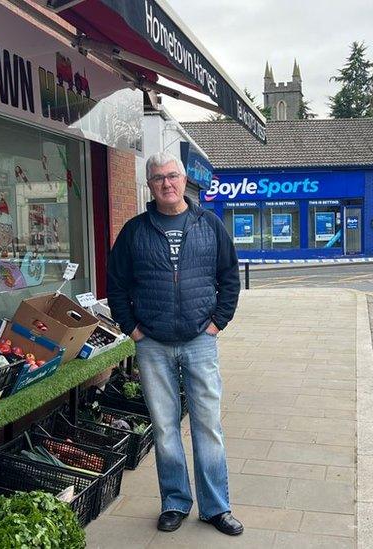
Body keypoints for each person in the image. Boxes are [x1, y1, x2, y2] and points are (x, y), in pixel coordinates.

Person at [107, 152, 243, 536]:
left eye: (172, 176)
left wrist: (218, 323)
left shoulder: (210, 225)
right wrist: (133, 329)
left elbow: (229, 277)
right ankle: (175, 502)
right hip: (152, 343)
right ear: (149, 186)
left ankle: (216, 508)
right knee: (164, 427)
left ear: (184, 181)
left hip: (201, 339)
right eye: (158, 178)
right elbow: (116, 285)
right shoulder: (135, 231)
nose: (167, 183)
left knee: (208, 425)